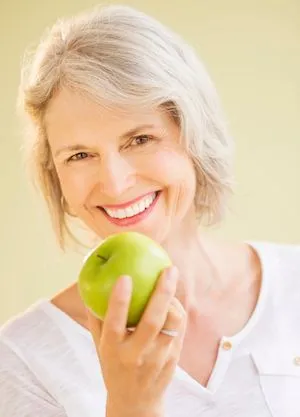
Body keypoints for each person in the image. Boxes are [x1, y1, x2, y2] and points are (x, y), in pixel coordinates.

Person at [0, 4, 299, 417]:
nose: (115, 183)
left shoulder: (294, 286)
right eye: (80, 154)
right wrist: (130, 406)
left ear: (194, 135)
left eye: (139, 139)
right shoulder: (23, 360)